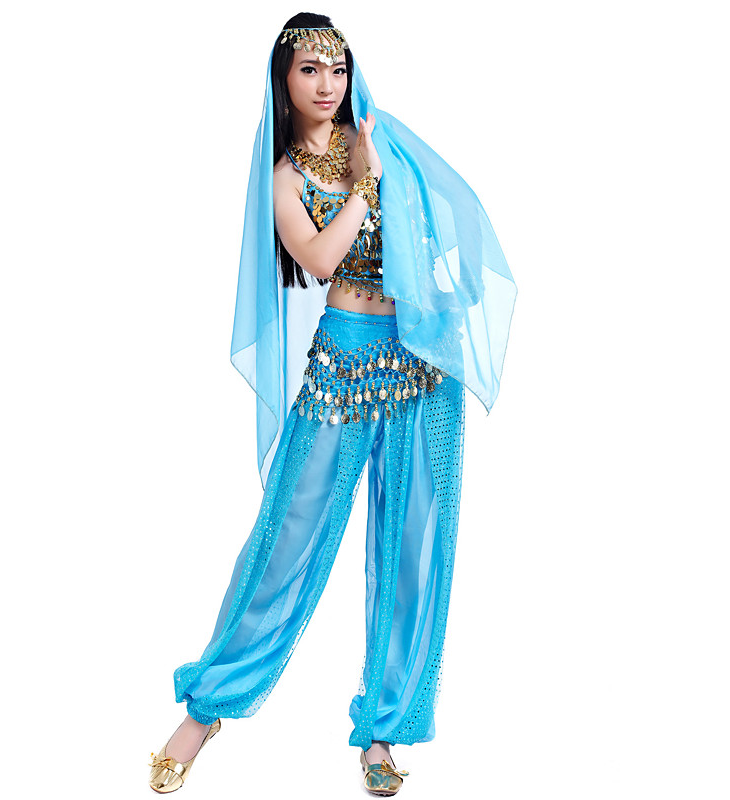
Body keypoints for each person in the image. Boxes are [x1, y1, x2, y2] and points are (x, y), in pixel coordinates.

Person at [148, 12, 517, 796]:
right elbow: (319, 259)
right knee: (286, 534)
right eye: (310, 70)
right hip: (344, 362)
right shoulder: (286, 176)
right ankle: (208, 705)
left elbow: (454, 217)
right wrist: (369, 182)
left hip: (420, 363)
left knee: (413, 546)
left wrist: (442, 289)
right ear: (284, 79)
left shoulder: (381, 136)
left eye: (338, 69)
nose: (327, 85)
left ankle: (384, 730)